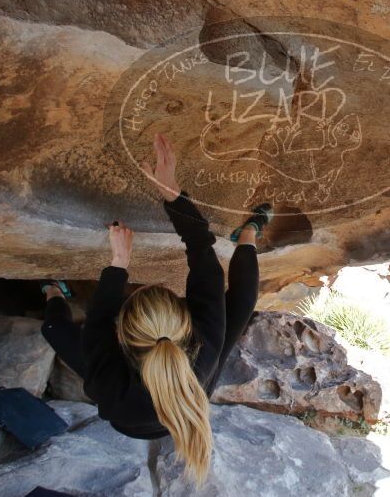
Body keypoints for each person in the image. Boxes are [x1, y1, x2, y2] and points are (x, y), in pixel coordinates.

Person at [40, 133, 272, 486]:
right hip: (188, 394)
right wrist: (122, 256)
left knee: (54, 330)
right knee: (241, 303)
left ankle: (53, 289)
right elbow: (205, 268)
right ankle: (249, 232)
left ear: (120, 337)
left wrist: (121, 261)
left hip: (131, 416)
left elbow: (98, 321)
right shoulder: (205, 346)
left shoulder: (108, 379)